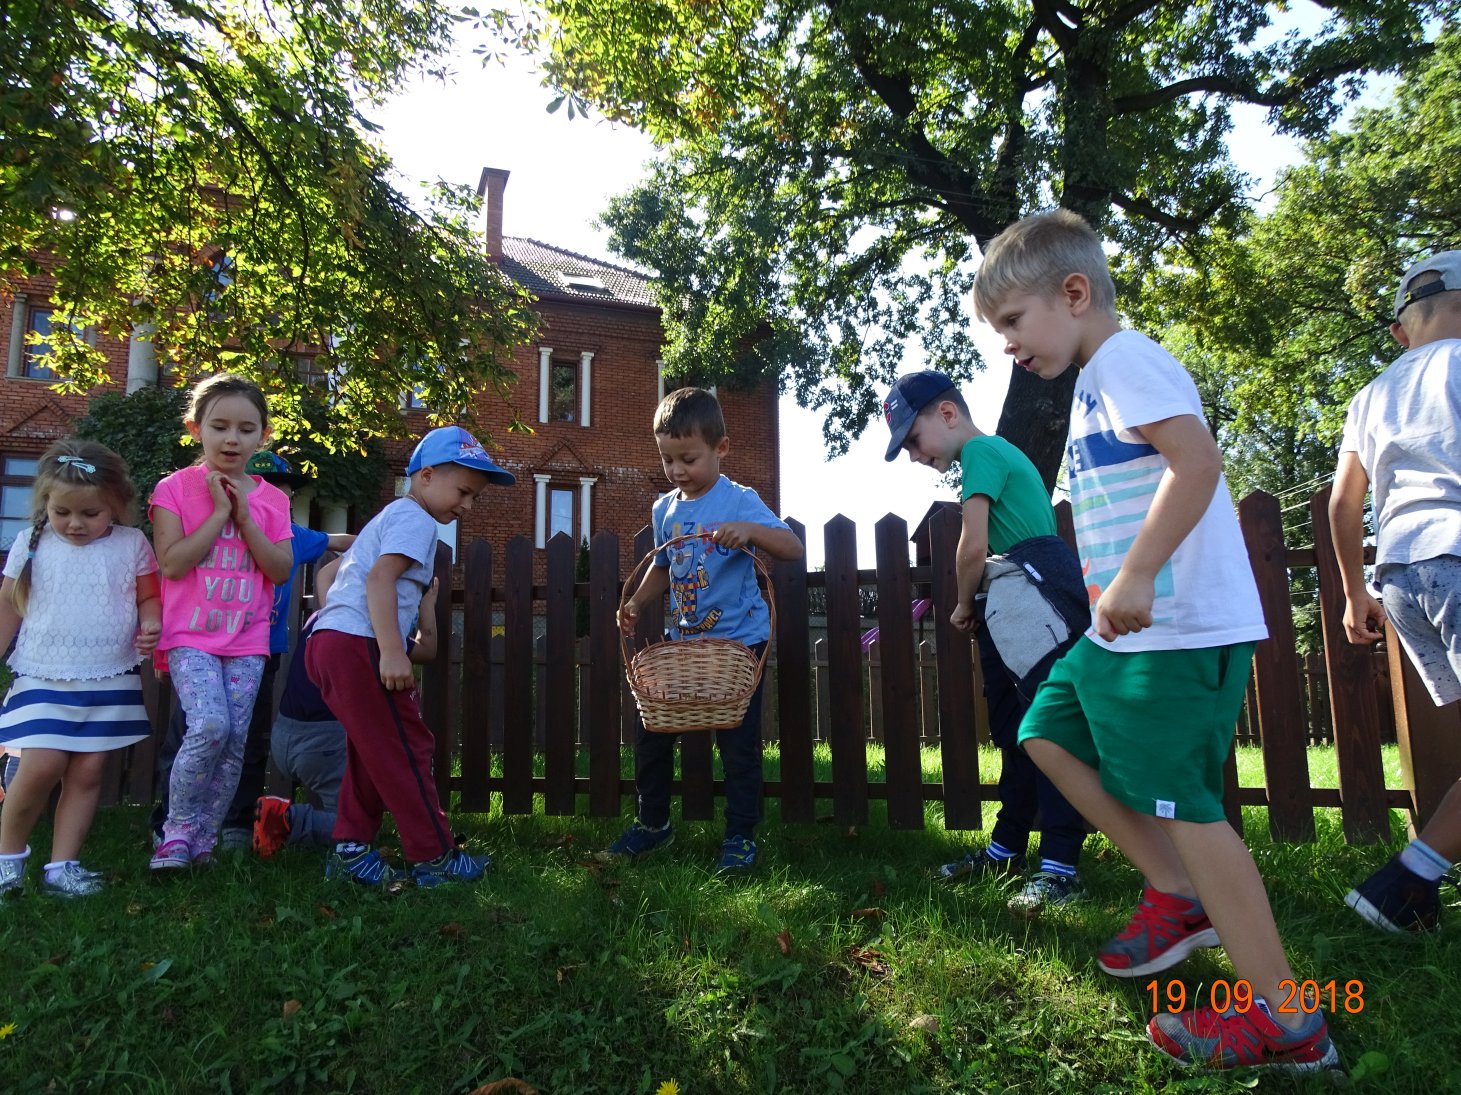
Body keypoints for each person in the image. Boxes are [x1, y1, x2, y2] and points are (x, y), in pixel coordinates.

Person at [972, 210, 1337, 1071]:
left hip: (1175, 630)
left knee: (1184, 805)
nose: (1007, 345)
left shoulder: (1126, 360)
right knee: (1046, 731)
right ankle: (1177, 891)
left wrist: (1135, 575)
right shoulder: (1093, 382)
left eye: (1012, 321)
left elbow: (1197, 463)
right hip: (1124, 636)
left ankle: (1288, 1023)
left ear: (1073, 293)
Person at [882, 369, 1091, 915]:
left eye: (913, 440)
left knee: (1051, 733)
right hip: (1010, 602)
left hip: (1035, 600)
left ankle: (1061, 866)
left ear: (948, 414)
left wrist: (960, 603)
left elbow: (972, 545)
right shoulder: (986, 458)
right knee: (1016, 732)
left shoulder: (982, 452)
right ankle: (1006, 849)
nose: (914, 456)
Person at [611, 387, 804, 874]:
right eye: (667, 459)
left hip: (740, 643)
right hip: (687, 646)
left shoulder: (738, 499)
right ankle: (653, 823)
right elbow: (663, 567)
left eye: (688, 459)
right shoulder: (665, 511)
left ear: (721, 448)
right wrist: (636, 602)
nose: (677, 470)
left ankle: (740, 836)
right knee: (652, 732)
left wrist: (751, 531)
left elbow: (792, 547)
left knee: (737, 743)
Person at [307, 425, 511, 887]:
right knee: (407, 747)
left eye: (475, 497)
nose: (467, 505)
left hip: (332, 642)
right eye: (463, 491)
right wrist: (391, 651)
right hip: (361, 645)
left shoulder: (388, 518)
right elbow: (380, 580)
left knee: (373, 751)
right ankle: (434, 856)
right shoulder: (416, 520)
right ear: (426, 475)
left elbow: (330, 576)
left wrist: (336, 620)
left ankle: (351, 853)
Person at [1330, 249, 1461, 933]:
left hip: (1403, 572)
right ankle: (1406, 882)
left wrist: (1355, 594)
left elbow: (1342, 503)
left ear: (1399, 331)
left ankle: (1411, 884)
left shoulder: (1372, 393)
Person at [147, 451, 354, 852]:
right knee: (196, 730)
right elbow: (172, 565)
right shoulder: (193, 503)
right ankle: (169, 824)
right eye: (276, 487)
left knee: (245, 737)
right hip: (201, 640)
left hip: (258, 645)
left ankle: (234, 824)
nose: (282, 495)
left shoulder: (289, 530)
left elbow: (336, 541)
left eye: (286, 491)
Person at [0, 441, 161, 896]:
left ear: (116, 505)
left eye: (90, 513)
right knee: (41, 764)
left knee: (88, 773)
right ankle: (7, 861)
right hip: (43, 671)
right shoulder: (31, 543)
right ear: (45, 505)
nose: (75, 523)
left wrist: (151, 622)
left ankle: (62, 867)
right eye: (62, 512)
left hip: (109, 673)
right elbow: (9, 604)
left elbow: (149, 595)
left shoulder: (132, 544)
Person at [148, 375, 294, 871]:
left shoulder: (274, 500)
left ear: (263, 436)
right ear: (196, 429)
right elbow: (172, 564)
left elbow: (280, 569)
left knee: (234, 742)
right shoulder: (174, 488)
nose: (233, 439)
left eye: (246, 429)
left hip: (248, 640)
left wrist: (245, 516)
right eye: (220, 426)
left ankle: (204, 840)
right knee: (210, 725)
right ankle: (175, 832)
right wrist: (218, 513)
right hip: (191, 637)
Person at [253, 561, 439, 856]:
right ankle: (284, 819)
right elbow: (427, 649)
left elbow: (323, 574)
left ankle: (295, 821)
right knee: (356, 829)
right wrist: (427, 604)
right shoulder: (367, 630)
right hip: (322, 745)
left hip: (285, 735)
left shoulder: (328, 614)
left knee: (349, 812)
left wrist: (366, 551)